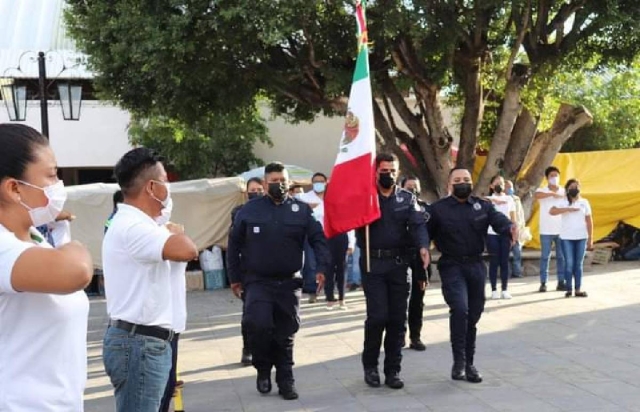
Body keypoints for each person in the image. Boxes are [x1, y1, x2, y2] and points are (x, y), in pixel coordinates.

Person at [0, 124, 94, 411]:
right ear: (14, 188)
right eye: (51, 176)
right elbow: (76, 271)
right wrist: (76, 247)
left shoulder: (36, 239)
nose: (58, 185)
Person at [102, 148, 198, 412]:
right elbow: (187, 249)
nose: (169, 188)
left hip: (147, 341)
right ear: (152, 187)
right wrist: (175, 231)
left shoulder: (142, 224)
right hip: (139, 344)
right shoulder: (134, 226)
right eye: (165, 181)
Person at [227, 162, 330, 400]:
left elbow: (318, 239)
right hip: (257, 282)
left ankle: (286, 379)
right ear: (264, 184)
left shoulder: (301, 210)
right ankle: (263, 369)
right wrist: (235, 278)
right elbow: (233, 245)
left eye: (283, 180)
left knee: (286, 333)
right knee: (258, 326)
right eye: (274, 181)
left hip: (289, 283)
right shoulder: (249, 211)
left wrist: (322, 267)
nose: (279, 185)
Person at [427, 167, 515, 383]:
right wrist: (421, 250)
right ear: (449, 184)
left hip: (475, 266)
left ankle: (468, 362)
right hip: (451, 265)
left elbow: (499, 221)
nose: (462, 183)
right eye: (457, 180)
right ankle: (461, 363)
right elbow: (424, 234)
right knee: (460, 309)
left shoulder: (482, 206)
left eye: (466, 179)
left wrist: (511, 227)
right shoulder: (438, 209)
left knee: (473, 315)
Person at [356, 154, 430, 390]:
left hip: (399, 266)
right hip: (373, 264)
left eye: (392, 170)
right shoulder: (365, 198)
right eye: (383, 170)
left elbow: (418, 224)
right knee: (378, 317)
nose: (388, 174)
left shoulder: (407, 199)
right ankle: (370, 366)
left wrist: (423, 246)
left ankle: (392, 370)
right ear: (375, 172)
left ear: (398, 172)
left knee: (398, 320)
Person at [230, 177, 265, 366]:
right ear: (247, 192)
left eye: (260, 190)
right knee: (250, 315)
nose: (257, 193)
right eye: (253, 190)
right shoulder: (239, 213)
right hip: (248, 273)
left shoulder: (272, 212)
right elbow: (234, 246)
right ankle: (248, 349)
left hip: (269, 271)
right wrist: (235, 277)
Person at [400, 176, 432, 351]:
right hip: (401, 256)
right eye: (409, 186)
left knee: (417, 301)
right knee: (400, 300)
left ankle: (415, 337)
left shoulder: (426, 208)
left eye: (415, 187)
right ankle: (399, 336)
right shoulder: (396, 207)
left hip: (420, 260)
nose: (412, 189)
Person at [550, 179, 593, 298]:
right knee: (569, 263)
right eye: (572, 187)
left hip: (581, 237)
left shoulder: (584, 202)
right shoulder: (563, 202)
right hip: (566, 237)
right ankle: (568, 288)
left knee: (578, 264)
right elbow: (552, 211)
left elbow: (589, 221)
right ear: (568, 189)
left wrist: (590, 238)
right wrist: (567, 209)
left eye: (576, 187)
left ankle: (578, 289)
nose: (574, 189)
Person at [535, 166, 567, 292]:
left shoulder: (564, 191)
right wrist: (552, 193)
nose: (554, 178)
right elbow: (537, 195)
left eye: (556, 175)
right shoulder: (542, 190)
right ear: (547, 178)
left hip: (561, 230)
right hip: (546, 230)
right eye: (552, 176)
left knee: (561, 257)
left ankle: (561, 281)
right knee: (545, 257)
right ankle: (543, 283)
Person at [485, 175, 516, 299]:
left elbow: (513, 219)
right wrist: (494, 200)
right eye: (497, 183)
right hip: (492, 233)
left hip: (506, 233)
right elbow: (481, 199)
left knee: (504, 261)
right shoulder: (487, 200)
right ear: (491, 186)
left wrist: (514, 234)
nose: (500, 185)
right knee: (494, 261)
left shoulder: (509, 199)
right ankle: (493, 289)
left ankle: (505, 289)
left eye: (502, 183)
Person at [299, 172, 328, 303]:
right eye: (316, 181)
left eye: (321, 181)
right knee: (311, 263)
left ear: (326, 182)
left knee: (329, 262)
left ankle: (330, 291)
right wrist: (307, 207)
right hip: (311, 236)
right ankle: (312, 291)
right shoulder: (304, 198)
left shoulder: (331, 197)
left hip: (329, 234)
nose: (319, 184)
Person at [505, 180, 531, 278]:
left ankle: (517, 272)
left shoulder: (516, 199)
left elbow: (520, 213)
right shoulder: (502, 199)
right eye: (507, 187)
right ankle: (506, 273)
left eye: (511, 187)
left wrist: (521, 225)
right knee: (505, 253)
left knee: (517, 253)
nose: (509, 189)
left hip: (517, 229)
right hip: (506, 229)